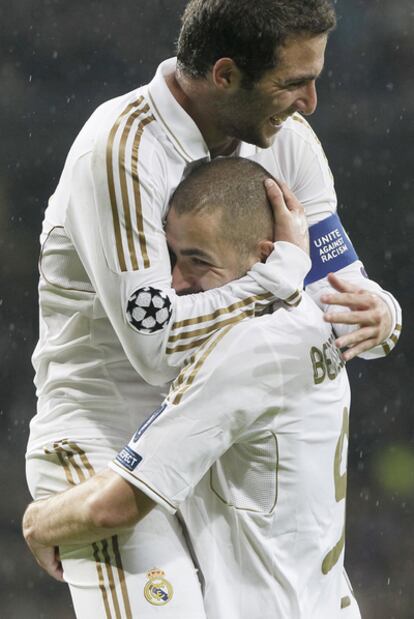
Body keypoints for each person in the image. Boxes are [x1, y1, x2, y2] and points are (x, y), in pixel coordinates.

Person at [25, 0, 401, 616]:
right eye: (292, 83)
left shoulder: (287, 142)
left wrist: (384, 313)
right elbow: (156, 351)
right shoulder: (121, 151)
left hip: (220, 445)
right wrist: (279, 276)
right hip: (105, 438)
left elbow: (345, 308)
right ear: (225, 74)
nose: (309, 103)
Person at [24, 157, 361, 618]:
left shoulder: (241, 353)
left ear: (265, 257)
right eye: (172, 257)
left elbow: (115, 505)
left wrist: (37, 523)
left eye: (198, 260)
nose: (176, 284)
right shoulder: (310, 321)